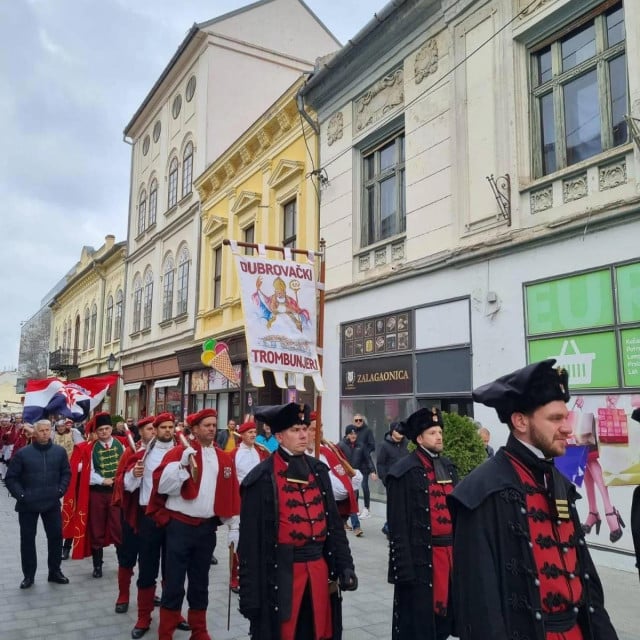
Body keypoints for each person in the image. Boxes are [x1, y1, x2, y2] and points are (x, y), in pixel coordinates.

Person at [448, 359, 619, 640]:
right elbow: (480, 606)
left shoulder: (560, 482)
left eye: (566, 417)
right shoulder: (481, 491)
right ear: (520, 421)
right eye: (555, 419)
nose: (567, 428)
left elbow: (586, 580)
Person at [239, 402, 358, 639]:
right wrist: (250, 597)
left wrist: (345, 565)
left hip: (318, 568)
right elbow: (250, 545)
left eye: (305, 428)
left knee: (318, 631)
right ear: (280, 436)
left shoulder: (318, 470)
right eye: (295, 430)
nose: (304, 435)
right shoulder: (261, 478)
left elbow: (334, 525)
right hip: (282, 574)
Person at [147, 408, 240, 640]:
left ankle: (200, 631)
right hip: (179, 527)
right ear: (195, 429)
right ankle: (166, 632)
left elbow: (230, 494)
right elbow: (162, 487)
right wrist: (181, 467)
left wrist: (234, 526)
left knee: (200, 582)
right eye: (206, 425)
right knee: (174, 582)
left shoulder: (223, 458)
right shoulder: (179, 453)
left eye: (213, 424)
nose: (211, 428)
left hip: (206, 529)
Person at [386, 408, 457, 640]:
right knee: (419, 626)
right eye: (432, 432)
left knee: (446, 620)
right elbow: (397, 526)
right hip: (422, 560)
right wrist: (404, 572)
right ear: (419, 439)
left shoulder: (448, 466)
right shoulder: (403, 472)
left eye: (440, 431)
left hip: (450, 557)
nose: (439, 436)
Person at [5, 419, 71, 589]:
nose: (44, 433)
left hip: (51, 502)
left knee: (56, 537)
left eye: (47, 430)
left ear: (51, 431)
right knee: (27, 540)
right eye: (41, 430)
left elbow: (66, 473)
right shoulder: (23, 453)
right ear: (34, 432)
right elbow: (11, 478)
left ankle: (54, 571)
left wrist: (60, 490)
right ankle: (28, 575)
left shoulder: (59, 452)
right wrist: (21, 495)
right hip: (28, 504)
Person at [65, 411, 125, 577]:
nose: (104, 432)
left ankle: (123, 565)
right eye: (100, 430)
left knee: (118, 528)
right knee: (96, 528)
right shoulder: (90, 449)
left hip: (117, 494)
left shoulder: (123, 445)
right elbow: (85, 471)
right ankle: (97, 565)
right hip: (97, 493)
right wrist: (101, 480)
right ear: (96, 432)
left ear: (111, 428)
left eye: (106, 428)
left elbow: (128, 465)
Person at [111, 415, 156, 615]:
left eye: (156, 429)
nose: (153, 432)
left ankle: (148, 594)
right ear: (141, 432)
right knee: (127, 556)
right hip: (132, 513)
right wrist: (133, 475)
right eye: (149, 429)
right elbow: (119, 481)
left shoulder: (167, 452)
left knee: (152, 559)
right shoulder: (131, 451)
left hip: (154, 515)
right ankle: (123, 594)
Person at [229, 421, 271, 593]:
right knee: (237, 539)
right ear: (242, 435)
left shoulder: (260, 451)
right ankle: (234, 577)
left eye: (255, 432)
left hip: (258, 500)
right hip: (240, 500)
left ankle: (254, 575)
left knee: (257, 538)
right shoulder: (234, 453)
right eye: (249, 432)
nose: (253, 435)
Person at [307, 412, 361, 534]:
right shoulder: (300, 455)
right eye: (313, 429)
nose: (319, 432)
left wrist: (351, 481)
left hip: (330, 513)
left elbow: (341, 490)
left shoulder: (328, 450)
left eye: (320, 427)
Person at [53, 418, 84, 560]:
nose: (60, 429)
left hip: (71, 473)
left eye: (62, 426)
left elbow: (82, 449)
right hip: (55, 475)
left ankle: (67, 545)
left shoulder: (73, 433)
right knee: (59, 516)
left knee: (70, 512)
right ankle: (59, 544)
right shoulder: (52, 436)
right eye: (58, 426)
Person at [338, 425, 374, 536]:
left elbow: (368, 459)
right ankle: (349, 524)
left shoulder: (361, 446)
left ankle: (351, 524)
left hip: (355, 476)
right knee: (347, 501)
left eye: (355, 434)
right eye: (351, 434)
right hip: (343, 476)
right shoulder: (340, 445)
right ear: (347, 434)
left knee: (354, 500)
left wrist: (372, 471)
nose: (353, 436)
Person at [376, 422, 409, 537]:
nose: (401, 433)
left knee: (405, 507)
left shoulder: (407, 444)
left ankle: (393, 528)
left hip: (406, 481)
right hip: (392, 482)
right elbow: (380, 464)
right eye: (398, 430)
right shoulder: (384, 445)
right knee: (394, 507)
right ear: (392, 431)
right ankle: (389, 529)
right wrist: (385, 479)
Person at [352, 413, 376, 518]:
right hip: (354, 462)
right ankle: (356, 508)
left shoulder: (367, 431)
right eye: (356, 420)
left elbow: (372, 445)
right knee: (355, 487)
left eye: (360, 420)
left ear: (363, 421)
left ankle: (367, 508)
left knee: (364, 485)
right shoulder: (352, 431)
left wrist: (364, 450)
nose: (358, 422)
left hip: (364, 462)